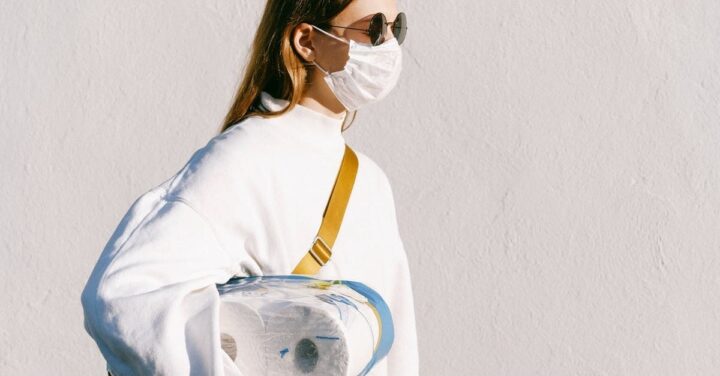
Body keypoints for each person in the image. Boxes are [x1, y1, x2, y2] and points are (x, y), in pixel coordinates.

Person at [80, 0, 417, 375]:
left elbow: (396, 347)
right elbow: (127, 294)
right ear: (307, 40)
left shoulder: (371, 182)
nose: (388, 46)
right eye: (373, 30)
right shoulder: (246, 155)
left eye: (394, 28)